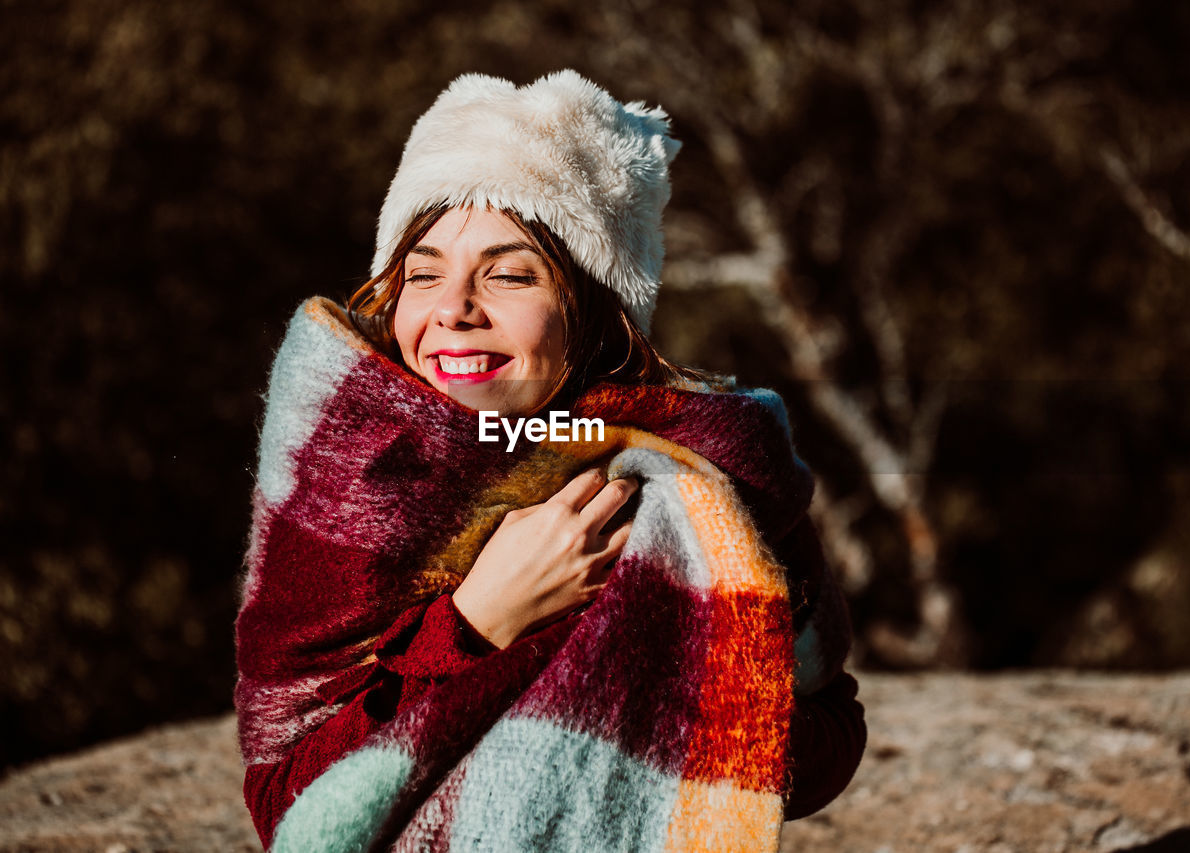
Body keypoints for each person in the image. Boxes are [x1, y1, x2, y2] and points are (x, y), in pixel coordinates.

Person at [235, 70, 865, 852]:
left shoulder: (709, 469)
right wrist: (479, 622)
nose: (453, 309)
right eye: (423, 273)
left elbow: (830, 732)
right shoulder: (348, 471)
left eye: (508, 273)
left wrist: (646, 669)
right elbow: (287, 809)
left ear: (595, 313)